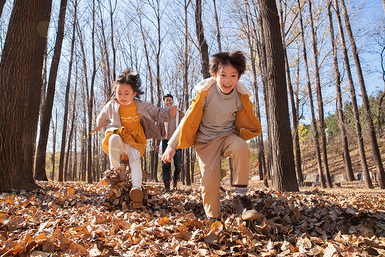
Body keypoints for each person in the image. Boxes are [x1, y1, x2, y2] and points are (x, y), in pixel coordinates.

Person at [162, 51, 262, 220]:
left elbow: (247, 118)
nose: (228, 80)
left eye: (233, 75)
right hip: (206, 142)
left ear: (239, 77)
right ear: (214, 75)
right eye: (223, 75)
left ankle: (241, 199)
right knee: (209, 182)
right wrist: (172, 145)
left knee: (241, 147)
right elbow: (187, 119)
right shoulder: (206, 93)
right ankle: (213, 218)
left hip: (227, 137)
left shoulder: (240, 96)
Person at [91, 69, 176, 208]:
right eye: (119, 93)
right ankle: (116, 175)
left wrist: (169, 112)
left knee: (134, 159)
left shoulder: (140, 104)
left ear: (134, 93)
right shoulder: (112, 105)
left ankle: (136, 189)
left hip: (135, 140)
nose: (122, 97)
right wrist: (98, 126)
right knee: (112, 139)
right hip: (119, 135)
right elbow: (103, 116)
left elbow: (156, 112)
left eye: (126, 93)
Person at [156, 94, 185, 191]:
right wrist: (157, 144)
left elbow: (185, 128)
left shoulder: (180, 114)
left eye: (170, 100)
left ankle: (175, 180)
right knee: (166, 164)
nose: (168, 102)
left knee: (178, 164)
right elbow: (159, 131)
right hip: (165, 141)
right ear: (164, 102)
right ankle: (166, 184)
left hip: (177, 142)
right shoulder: (162, 115)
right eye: (166, 101)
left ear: (173, 101)